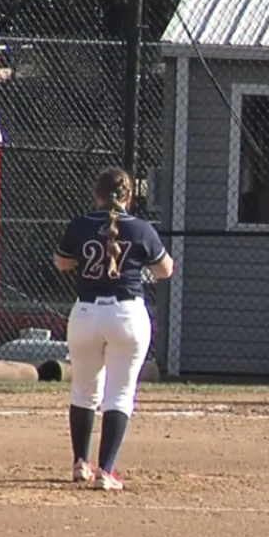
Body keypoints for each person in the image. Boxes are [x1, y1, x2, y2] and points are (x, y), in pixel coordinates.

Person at [53, 167, 175, 490]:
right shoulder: (141, 228)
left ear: (96, 195)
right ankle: (106, 472)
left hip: (87, 313)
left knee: (83, 389)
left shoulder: (80, 225)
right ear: (129, 197)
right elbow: (166, 269)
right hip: (127, 314)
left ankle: (81, 463)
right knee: (118, 394)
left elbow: (63, 263)